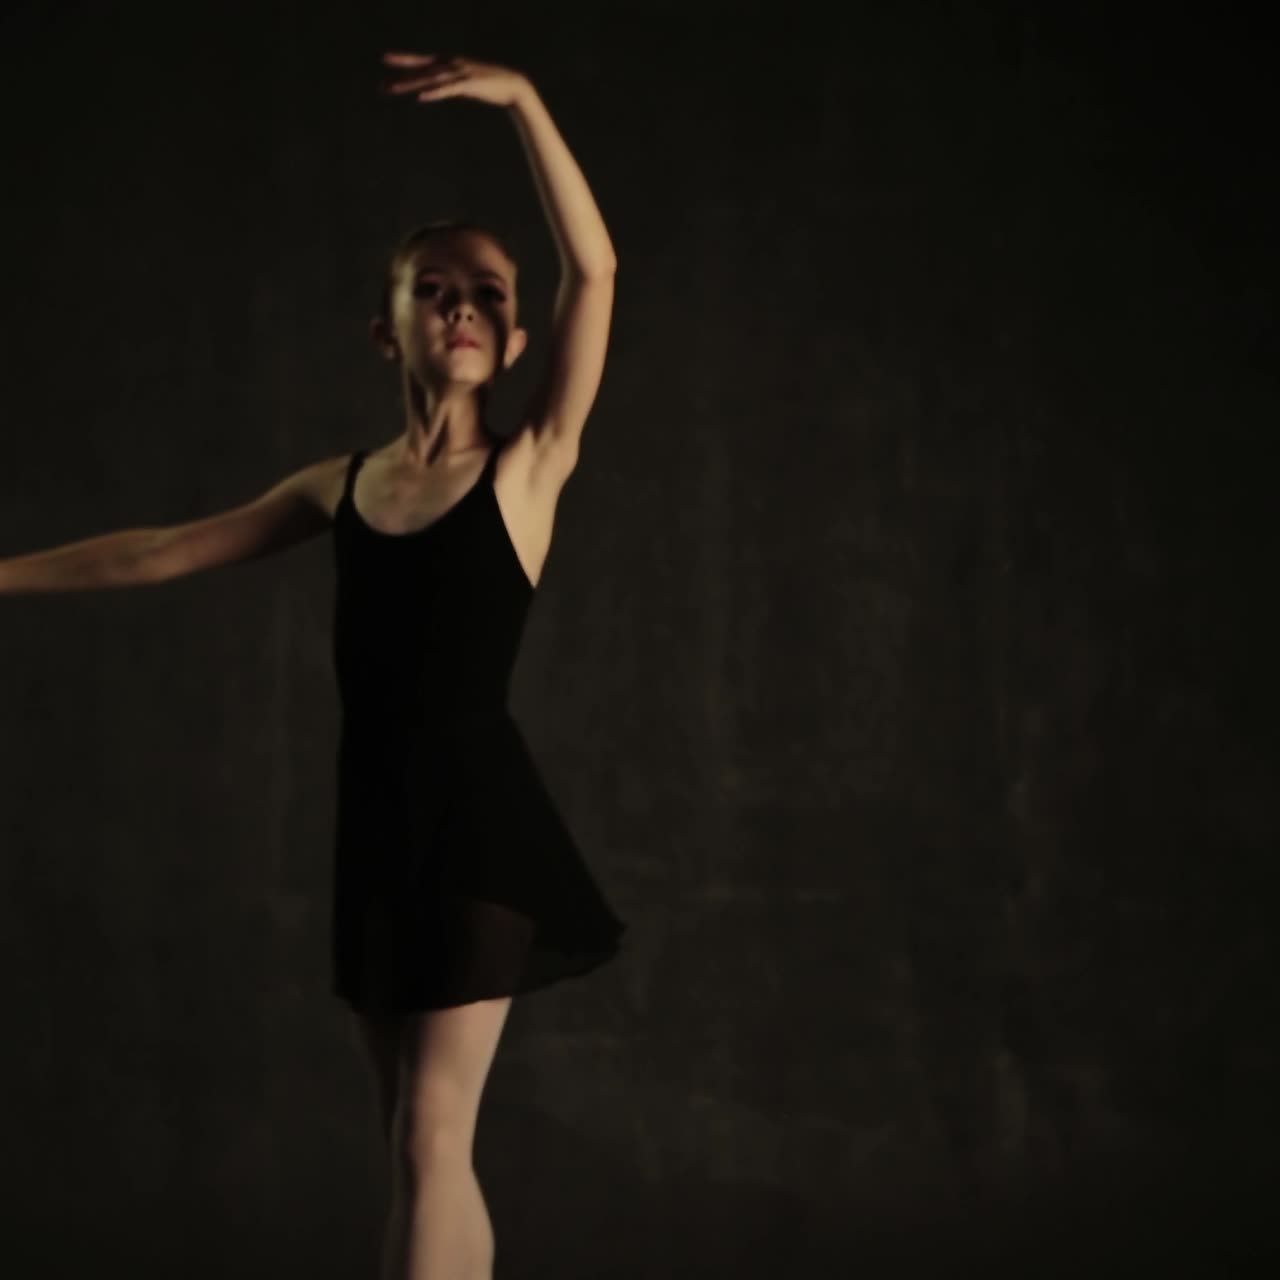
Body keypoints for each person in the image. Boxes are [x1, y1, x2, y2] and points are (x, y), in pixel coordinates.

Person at [0, 51, 625, 1280]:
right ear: (382, 324)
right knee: (413, 1141)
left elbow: (596, 270)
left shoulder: (525, 470)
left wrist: (524, 103)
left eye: (488, 295)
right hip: (377, 828)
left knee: (433, 1134)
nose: (462, 308)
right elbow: (159, 552)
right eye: (431, 289)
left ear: (511, 336)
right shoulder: (340, 487)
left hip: (476, 827)